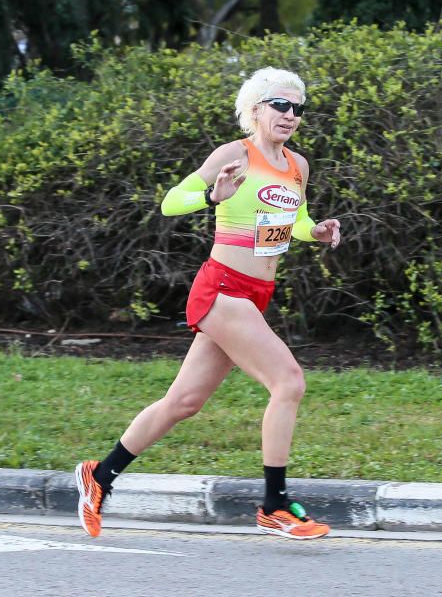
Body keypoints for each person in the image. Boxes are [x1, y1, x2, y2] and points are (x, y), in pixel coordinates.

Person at [75, 67, 341, 540]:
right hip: (222, 289)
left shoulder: (298, 166)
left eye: (298, 108)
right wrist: (210, 194)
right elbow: (170, 203)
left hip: (255, 294)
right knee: (289, 381)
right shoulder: (234, 154)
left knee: (183, 402)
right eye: (281, 105)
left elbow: (293, 219)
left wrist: (314, 231)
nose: (291, 115)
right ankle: (274, 504)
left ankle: (100, 475)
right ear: (256, 108)